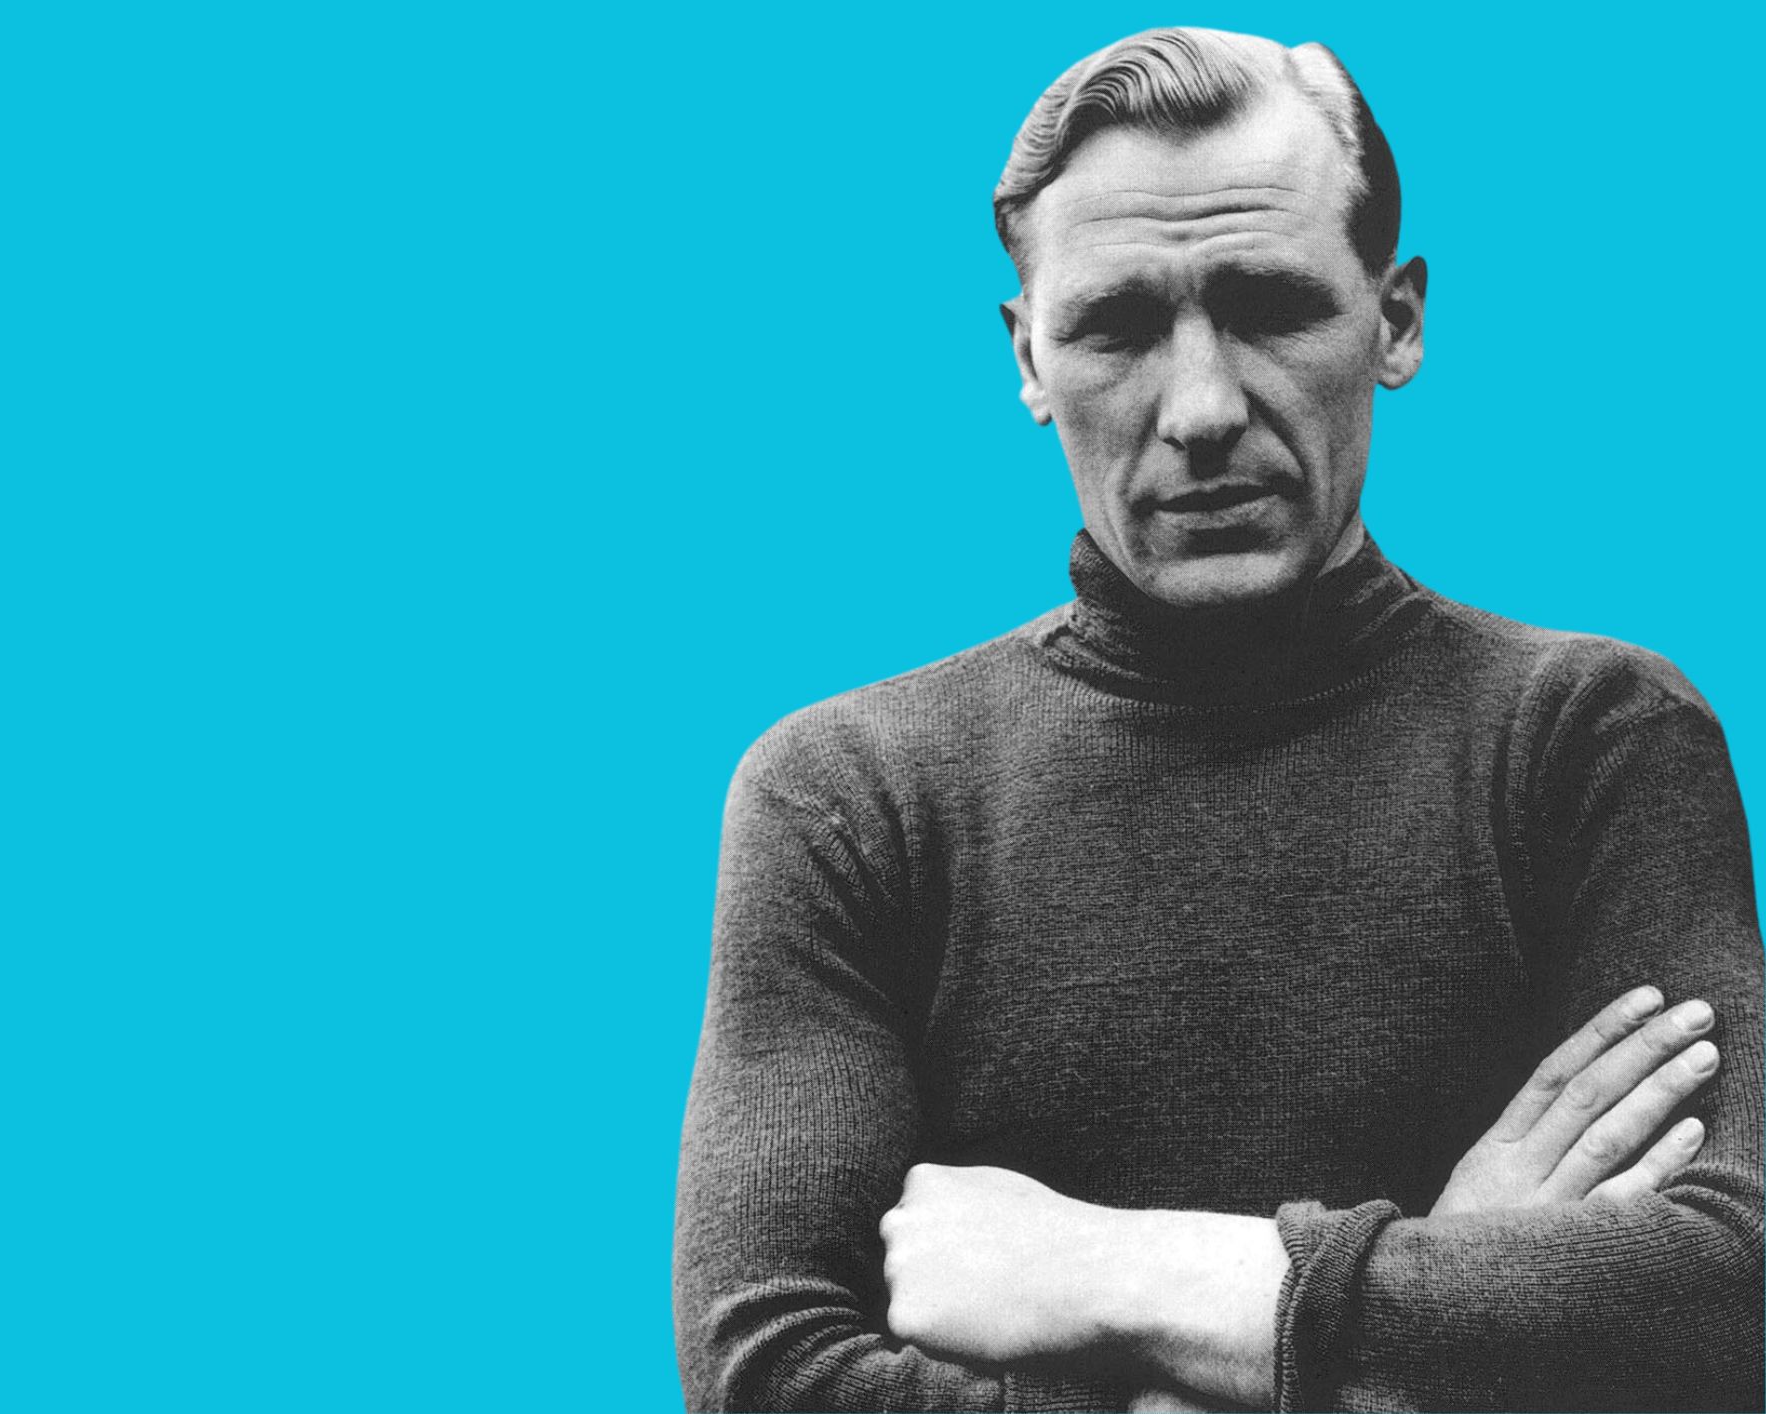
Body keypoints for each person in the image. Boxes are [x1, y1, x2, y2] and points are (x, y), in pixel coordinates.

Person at [674, 27, 1762, 1413]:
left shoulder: (1591, 739)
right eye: (1117, 327)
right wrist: (1444, 1290)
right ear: (1027, 357)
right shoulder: (850, 796)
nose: (1201, 407)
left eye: (1270, 308)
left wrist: (1128, 1274)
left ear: (1396, 321)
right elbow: (767, 1373)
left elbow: (1731, 1298)